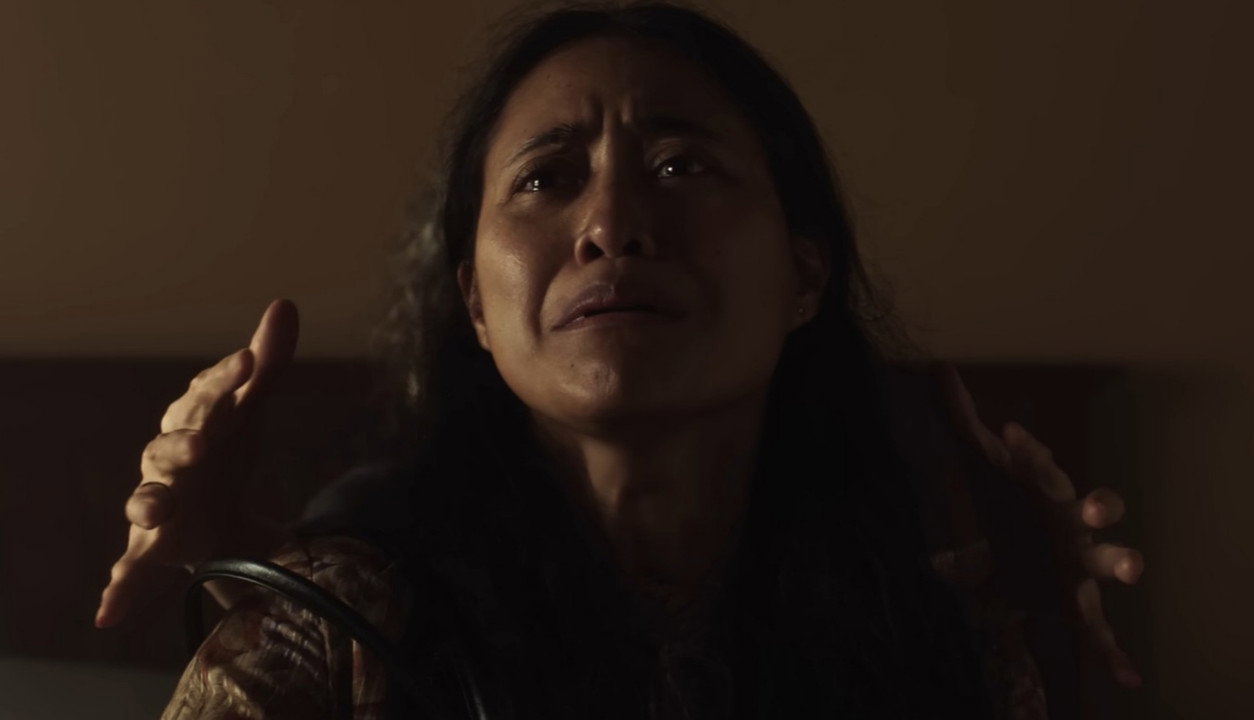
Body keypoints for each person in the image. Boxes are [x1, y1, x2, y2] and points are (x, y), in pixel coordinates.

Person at [94, 3, 1143, 718]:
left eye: (681, 165)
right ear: (476, 304)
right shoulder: (339, 634)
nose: (611, 226)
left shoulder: (933, 636)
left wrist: (1046, 644)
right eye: (546, 179)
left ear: (803, 274)